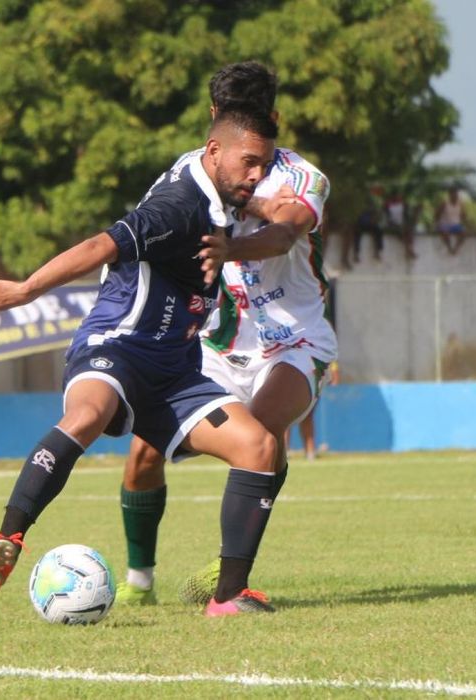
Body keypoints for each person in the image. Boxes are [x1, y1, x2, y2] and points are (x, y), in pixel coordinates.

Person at [0, 107, 288, 616]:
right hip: (116, 345)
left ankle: (228, 596)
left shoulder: (215, 192)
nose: (257, 175)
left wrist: (270, 205)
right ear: (214, 151)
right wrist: (25, 289)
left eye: (264, 165)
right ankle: (9, 534)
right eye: (250, 162)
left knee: (260, 446)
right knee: (87, 416)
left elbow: (253, 198)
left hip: (175, 373)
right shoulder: (178, 206)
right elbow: (101, 244)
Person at [115, 62, 337, 607]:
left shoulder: (304, 178)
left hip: (295, 341)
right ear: (216, 120)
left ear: (275, 120)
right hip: (212, 349)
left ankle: (230, 572)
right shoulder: (189, 175)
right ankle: (139, 581)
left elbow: (285, 232)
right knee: (142, 456)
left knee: (259, 435)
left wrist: (239, 225)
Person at [384, 190, 417, 260]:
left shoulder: (404, 205)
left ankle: (409, 251)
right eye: (397, 196)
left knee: (409, 233)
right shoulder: (388, 204)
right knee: (404, 232)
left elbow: (408, 215)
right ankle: (409, 251)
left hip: (402, 224)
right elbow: (386, 215)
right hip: (392, 224)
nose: (399, 198)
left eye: (400, 197)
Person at [435, 186, 468, 255]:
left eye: (456, 194)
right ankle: (449, 248)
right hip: (445, 224)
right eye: (453, 194)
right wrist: (437, 223)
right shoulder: (444, 203)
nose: (455, 196)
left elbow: (464, 216)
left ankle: (456, 249)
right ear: (450, 195)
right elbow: (437, 214)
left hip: (456, 225)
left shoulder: (460, 204)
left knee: (464, 234)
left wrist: (464, 221)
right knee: (445, 233)